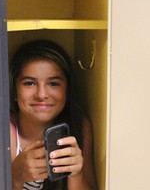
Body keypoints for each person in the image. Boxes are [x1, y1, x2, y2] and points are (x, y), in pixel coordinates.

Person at [9, 40, 98, 190]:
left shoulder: (79, 125)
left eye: (53, 84)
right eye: (29, 83)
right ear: (14, 91)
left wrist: (75, 174)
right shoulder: (7, 130)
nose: (42, 94)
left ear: (67, 90)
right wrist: (16, 177)